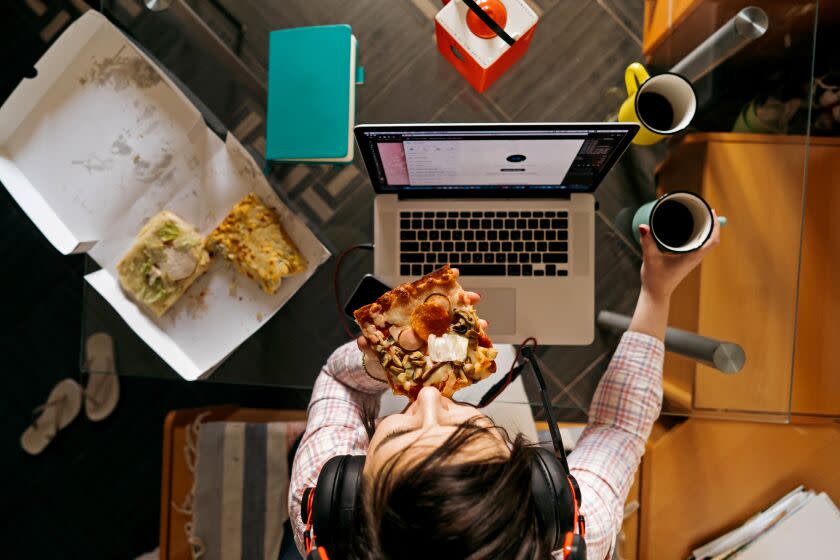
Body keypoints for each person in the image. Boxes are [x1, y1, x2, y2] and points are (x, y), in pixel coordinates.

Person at [289, 216, 721, 559]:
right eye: (470, 429)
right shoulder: (583, 523)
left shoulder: (316, 519)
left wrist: (384, 366)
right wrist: (658, 290)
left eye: (400, 431)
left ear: (345, 502)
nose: (429, 396)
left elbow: (337, 381)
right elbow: (621, 429)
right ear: (545, 492)